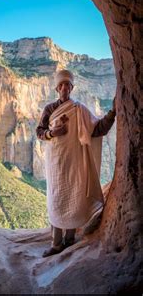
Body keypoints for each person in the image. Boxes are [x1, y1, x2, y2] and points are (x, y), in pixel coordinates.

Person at [36, 69, 116, 257]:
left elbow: (97, 130)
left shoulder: (79, 109)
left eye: (68, 85)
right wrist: (51, 133)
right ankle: (56, 244)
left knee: (73, 196)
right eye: (61, 85)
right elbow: (39, 131)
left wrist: (113, 112)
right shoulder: (49, 109)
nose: (65, 88)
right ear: (57, 88)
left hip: (75, 163)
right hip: (55, 163)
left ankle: (69, 240)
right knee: (56, 199)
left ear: (72, 88)